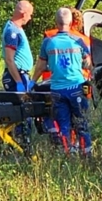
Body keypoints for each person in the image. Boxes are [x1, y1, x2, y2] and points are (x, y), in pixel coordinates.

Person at [32, 8, 93, 156]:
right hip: (77, 87)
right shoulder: (78, 40)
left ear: (56, 22)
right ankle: (86, 156)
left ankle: (68, 153)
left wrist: (31, 82)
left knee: (63, 125)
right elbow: (88, 64)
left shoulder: (48, 42)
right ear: (71, 22)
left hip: (57, 90)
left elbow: (40, 66)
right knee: (81, 123)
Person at [1, 0, 34, 92]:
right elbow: (9, 59)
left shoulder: (17, 29)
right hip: (16, 76)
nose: (30, 18)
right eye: (30, 15)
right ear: (24, 14)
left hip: (21, 75)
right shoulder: (12, 31)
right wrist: (19, 82)